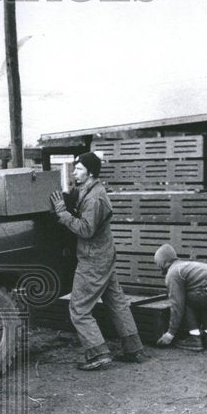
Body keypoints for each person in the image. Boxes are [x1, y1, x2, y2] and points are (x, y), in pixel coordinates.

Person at [50, 152, 146, 370]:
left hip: (93, 258)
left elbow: (86, 230)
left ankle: (98, 352)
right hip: (103, 255)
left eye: (79, 169)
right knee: (116, 302)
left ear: (91, 172)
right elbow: (78, 199)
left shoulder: (95, 198)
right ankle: (134, 348)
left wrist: (63, 214)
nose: (75, 172)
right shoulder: (90, 190)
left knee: (79, 309)